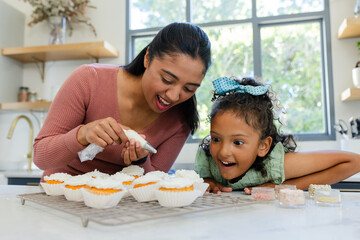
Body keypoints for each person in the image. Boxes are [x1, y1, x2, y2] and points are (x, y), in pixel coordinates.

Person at [34, 22, 211, 179]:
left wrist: (141, 160)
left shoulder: (181, 122)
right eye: (167, 80)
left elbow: (154, 186)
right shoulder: (89, 80)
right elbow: (41, 157)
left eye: (189, 89)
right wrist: (83, 134)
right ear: (148, 58)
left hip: (122, 210)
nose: (173, 96)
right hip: (61, 198)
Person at [195, 77, 360, 194]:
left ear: (263, 146)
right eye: (216, 139)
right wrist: (206, 180)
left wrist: (284, 186)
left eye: (237, 142)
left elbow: (354, 162)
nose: (223, 152)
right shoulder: (209, 162)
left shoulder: (274, 166)